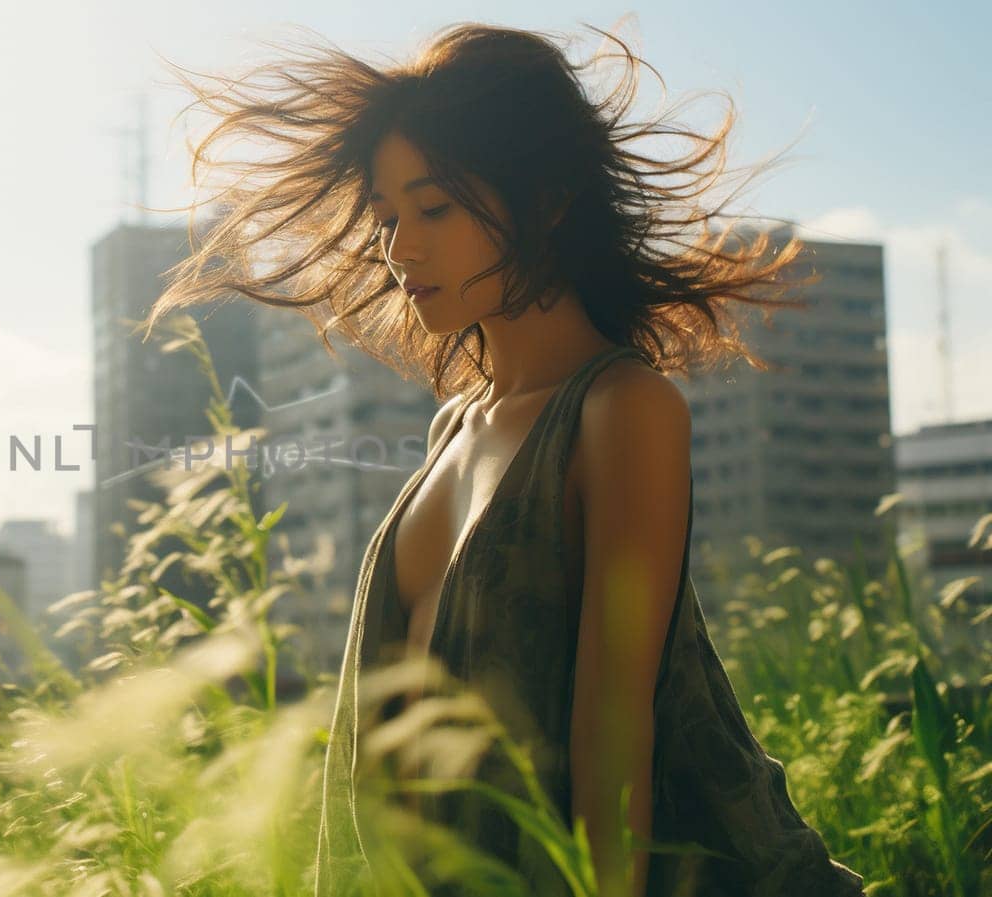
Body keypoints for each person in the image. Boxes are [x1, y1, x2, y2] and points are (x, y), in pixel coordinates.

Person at [144, 20, 868, 897]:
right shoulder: (454, 425)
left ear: (548, 197)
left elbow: (615, 740)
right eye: (385, 216)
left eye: (435, 207)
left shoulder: (623, 412)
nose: (400, 246)